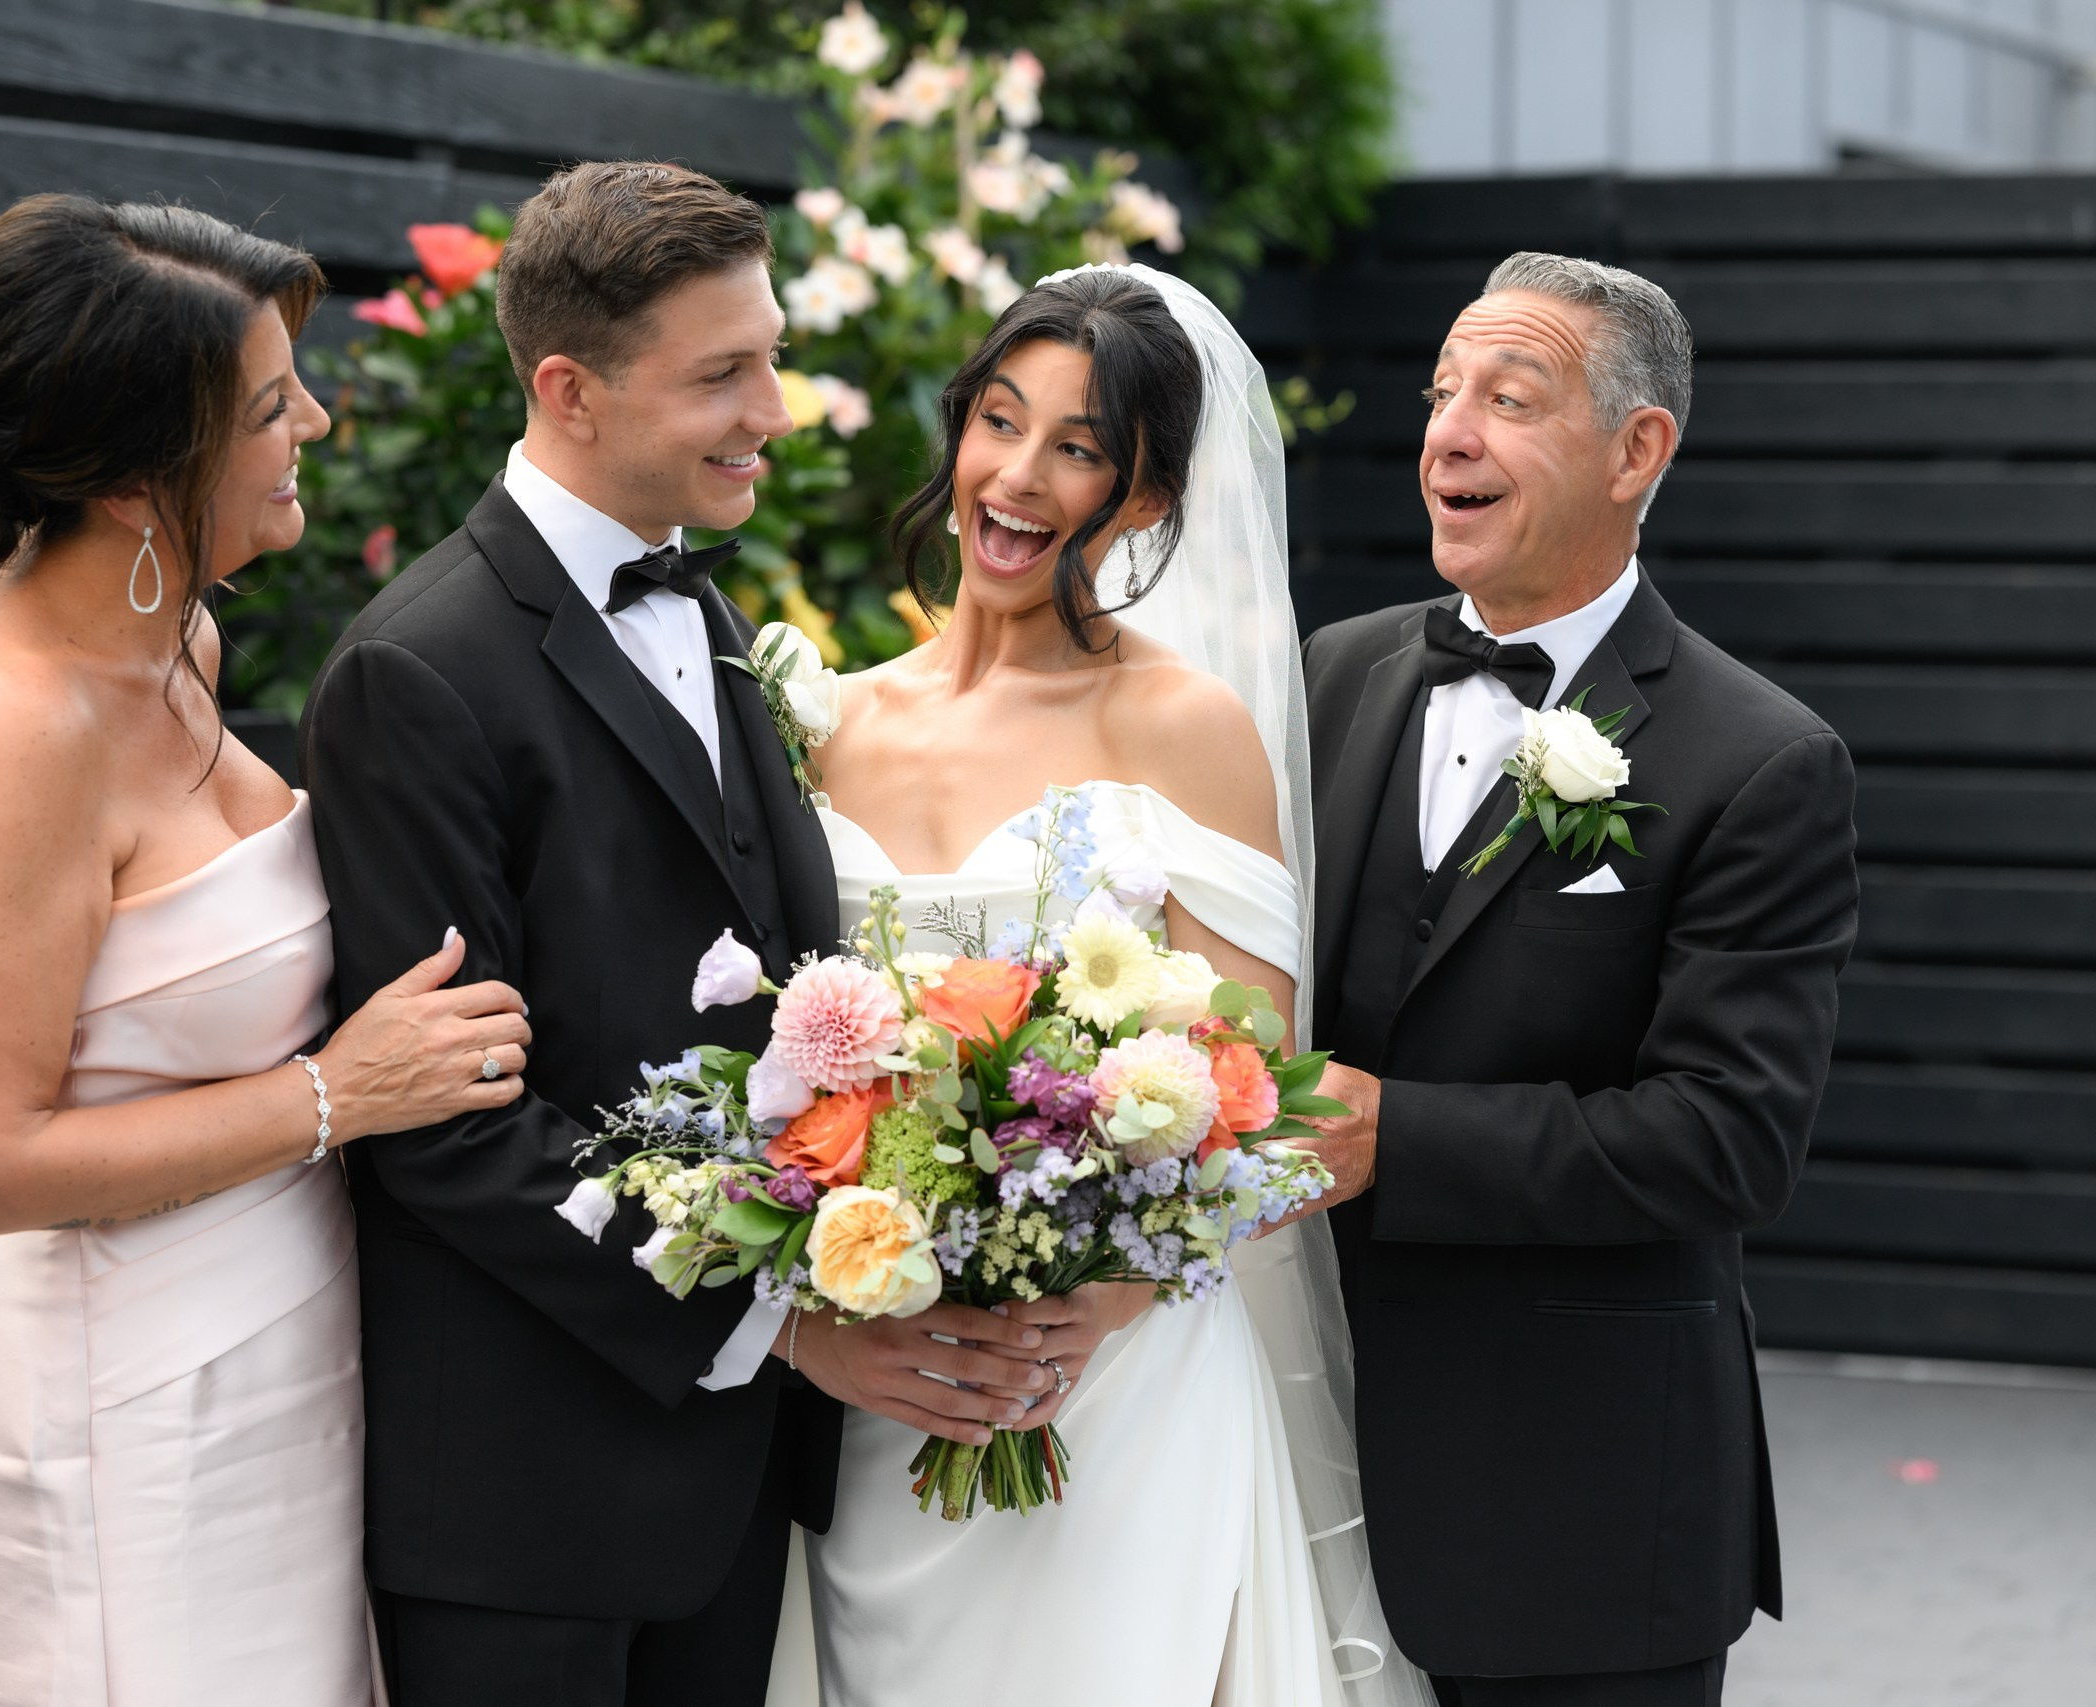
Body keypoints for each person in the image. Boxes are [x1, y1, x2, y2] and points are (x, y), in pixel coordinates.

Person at [298, 160, 1054, 1707]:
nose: (772, 407)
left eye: (769, 355)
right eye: (724, 373)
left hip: (721, 1491)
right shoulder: (417, 673)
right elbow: (446, 1132)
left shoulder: (705, 613)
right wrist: (777, 1321)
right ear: (569, 390)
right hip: (526, 1505)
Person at [0, 194, 533, 1705]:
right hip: (113, 1421)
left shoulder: (178, 641)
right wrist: (335, 1096)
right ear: (128, 478)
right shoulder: (22, 727)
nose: (312, 416)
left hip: (275, 1358)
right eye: (262, 406)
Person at [782, 264, 1432, 1707]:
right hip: (886, 1378)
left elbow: (1271, 1106)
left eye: (1076, 448)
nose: (1015, 477)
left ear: (1144, 499)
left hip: (1111, 1383)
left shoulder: (1181, 726)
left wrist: (1107, 1300)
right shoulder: (829, 721)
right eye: (997, 423)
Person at [1296, 253, 1860, 1707]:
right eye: (1440, 394)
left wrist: (1392, 1142)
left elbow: (1728, 1138)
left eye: (1508, 395)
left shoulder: (1760, 761)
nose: (1449, 433)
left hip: (1584, 1511)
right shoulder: (1332, 675)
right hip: (1299, 1458)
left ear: (1637, 451)